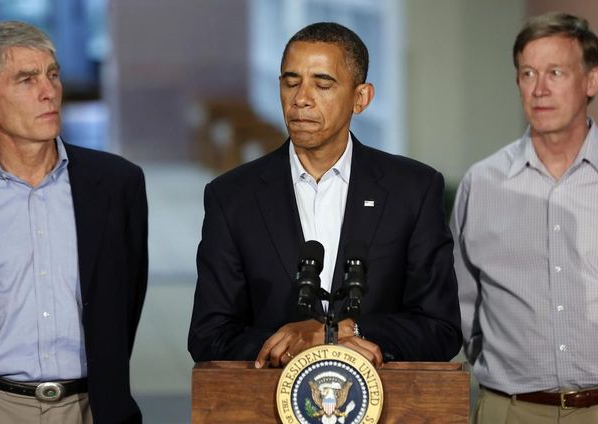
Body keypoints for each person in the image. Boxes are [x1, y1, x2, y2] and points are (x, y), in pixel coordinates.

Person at [188, 22, 461, 369]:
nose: (301, 98)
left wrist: (348, 332)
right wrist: (293, 345)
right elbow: (208, 334)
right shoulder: (231, 197)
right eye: (291, 82)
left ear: (360, 98)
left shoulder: (413, 190)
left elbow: (441, 328)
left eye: (322, 83)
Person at [0, 21, 148, 423]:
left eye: (52, 75)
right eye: (27, 79)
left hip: (93, 409)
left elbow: (126, 303)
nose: (49, 92)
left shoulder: (118, 183)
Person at [452, 12, 598, 423]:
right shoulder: (481, 183)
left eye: (556, 72)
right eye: (528, 73)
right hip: (509, 409)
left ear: (592, 81)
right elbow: (462, 303)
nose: (540, 89)